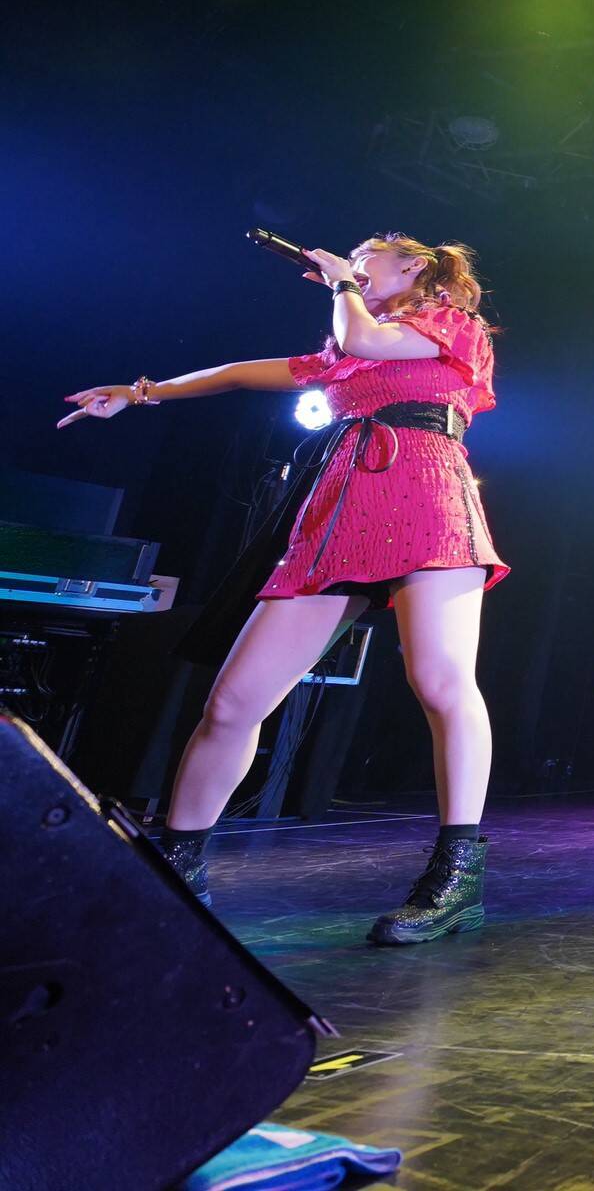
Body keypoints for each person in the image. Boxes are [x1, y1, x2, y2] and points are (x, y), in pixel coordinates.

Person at [58, 233, 510, 942]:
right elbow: (240, 373)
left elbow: (363, 333)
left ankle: (456, 877)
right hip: (341, 514)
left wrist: (343, 284)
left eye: (364, 256)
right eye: (350, 262)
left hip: (430, 499)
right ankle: (179, 864)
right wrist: (140, 393)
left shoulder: (450, 325)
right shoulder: (347, 348)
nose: (352, 267)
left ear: (413, 265)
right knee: (233, 702)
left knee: (440, 680)